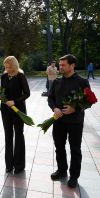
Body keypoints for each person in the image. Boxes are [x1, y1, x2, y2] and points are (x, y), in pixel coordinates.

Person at [48, 54, 90, 188]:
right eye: (60, 65)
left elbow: (89, 101)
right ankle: (61, 170)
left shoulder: (82, 82)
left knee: (75, 149)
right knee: (59, 147)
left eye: (63, 65)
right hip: (59, 120)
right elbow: (50, 98)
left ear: (72, 65)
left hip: (75, 121)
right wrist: (54, 108)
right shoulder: (56, 81)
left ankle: (74, 176)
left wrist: (75, 108)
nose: (60, 67)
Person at [0, 56, 30, 174]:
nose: (8, 70)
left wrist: (15, 101)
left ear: (15, 66)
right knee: (8, 136)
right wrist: (0, 97)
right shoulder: (3, 76)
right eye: (6, 67)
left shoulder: (20, 76)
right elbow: (2, 92)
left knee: (18, 135)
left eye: (10, 67)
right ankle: (9, 164)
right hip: (5, 110)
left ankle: (19, 165)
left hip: (18, 110)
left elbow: (27, 93)